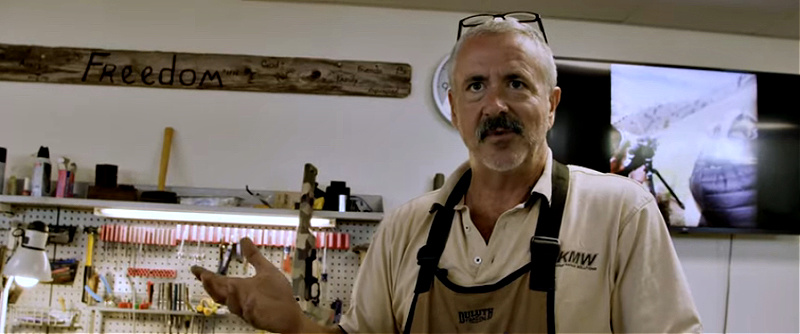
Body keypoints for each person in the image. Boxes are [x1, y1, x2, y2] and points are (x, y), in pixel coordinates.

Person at [191, 12, 703, 334]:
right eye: (476, 86)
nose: (495, 104)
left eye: (517, 84)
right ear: (455, 109)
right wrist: (298, 327)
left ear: (551, 105)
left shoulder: (620, 213)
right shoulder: (405, 228)